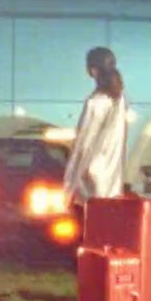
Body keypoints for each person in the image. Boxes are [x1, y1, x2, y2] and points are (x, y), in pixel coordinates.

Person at [63, 46, 129, 207]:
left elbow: (83, 144)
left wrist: (68, 185)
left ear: (93, 70)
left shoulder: (96, 102)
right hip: (112, 179)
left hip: (91, 178)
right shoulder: (119, 99)